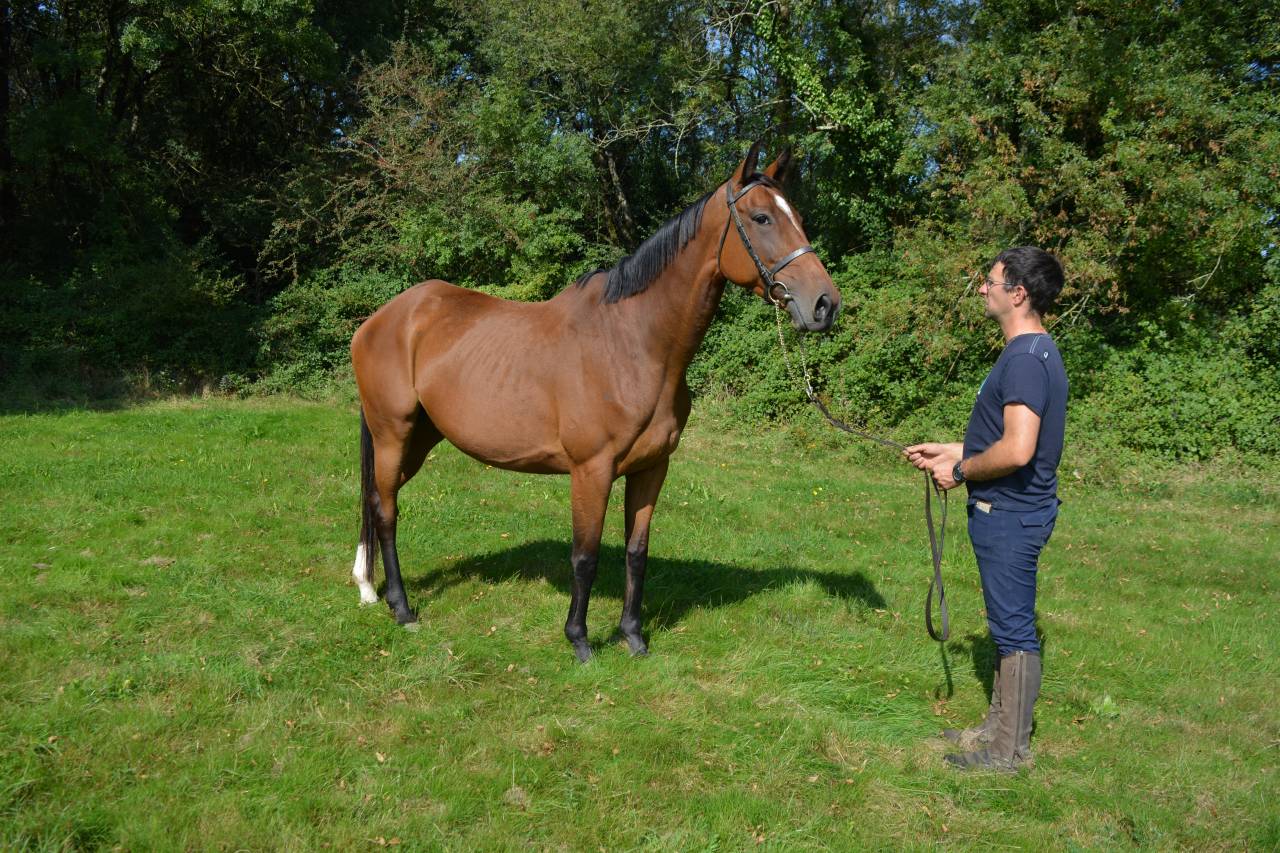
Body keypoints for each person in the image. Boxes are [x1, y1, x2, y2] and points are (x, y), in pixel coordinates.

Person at [905, 246, 1067, 772]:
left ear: (1018, 293)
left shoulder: (1023, 359)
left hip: (1012, 514)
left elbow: (1019, 450)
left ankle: (1008, 753)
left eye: (991, 281)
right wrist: (951, 451)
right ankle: (997, 728)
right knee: (1006, 624)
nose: (982, 288)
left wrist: (961, 471)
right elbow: (1009, 440)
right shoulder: (1034, 352)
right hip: (1013, 509)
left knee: (1015, 630)